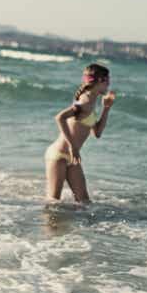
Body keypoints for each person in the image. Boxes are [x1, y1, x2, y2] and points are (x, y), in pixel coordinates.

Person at [44, 63, 116, 203]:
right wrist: (73, 147)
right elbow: (60, 117)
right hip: (59, 155)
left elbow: (97, 133)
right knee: (53, 202)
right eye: (107, 80)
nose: (109, 84)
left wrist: (106, 108)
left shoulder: (93, 101)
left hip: (73, 158)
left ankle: (76, 226)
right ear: (100, 81)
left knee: (84, 202)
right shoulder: (85, 101)